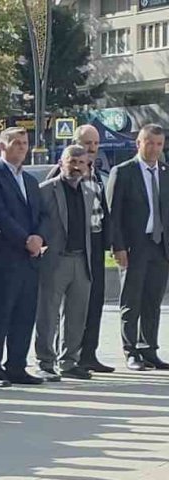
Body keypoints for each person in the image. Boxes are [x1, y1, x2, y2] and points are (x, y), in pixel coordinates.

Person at [47, 124, 115, 374]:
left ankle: (88, 353)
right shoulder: (62, 172)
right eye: (87, 143)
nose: (92, 149)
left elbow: (103, 210)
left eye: (95, 144)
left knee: (93, 299)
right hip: (71, 246)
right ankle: (60, 356)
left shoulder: (96, 173)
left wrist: (110, 241)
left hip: (94, 243)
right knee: (63, 305)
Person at [0, 127, 46, 385]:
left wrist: (39, 238)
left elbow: (42, 214)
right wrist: (25, 239)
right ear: (2, 146)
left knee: (24, 313)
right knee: (0, 312)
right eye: (16, 143)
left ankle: (17, 365)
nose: (22, 147)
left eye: (25, 143)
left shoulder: (30, 180)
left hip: (30, 258)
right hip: (5, 256)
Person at [108, 123, 168, 371]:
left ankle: (149, 349)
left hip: (160, 246)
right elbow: (114, 214)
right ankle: (131, 350)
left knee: (153, 301)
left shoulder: (165, 171)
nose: (154, 149)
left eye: (159, 144)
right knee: (131, 300)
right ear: (138, 143)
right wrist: (118, 247)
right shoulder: (123, 172)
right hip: (135, 246)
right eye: (149, 143)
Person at [36, 145, 97, 381]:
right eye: (72, 161)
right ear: (61, 162)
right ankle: (45, 361)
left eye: (82, 163)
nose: (77, 167)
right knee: (48, 314)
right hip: (55, 260)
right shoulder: (46, 190)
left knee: (76, 315)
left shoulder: (88, 191)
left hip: (81, 260)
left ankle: (69, 361)